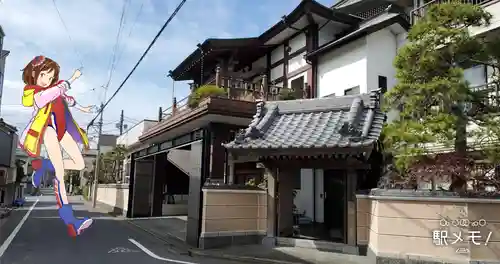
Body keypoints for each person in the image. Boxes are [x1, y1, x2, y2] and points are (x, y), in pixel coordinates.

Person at [19, 55, 95, 237]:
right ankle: (71, 222)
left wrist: (83, 108)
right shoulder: (32, 92)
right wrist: (71, 80)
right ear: (34, 75)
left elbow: (67, 99)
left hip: (62, 131)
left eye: (51, 76)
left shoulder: (56, 88)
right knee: (60, 174)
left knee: (80, 164)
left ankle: (44, 165)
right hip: (48, 131)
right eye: (44, 75)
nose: (48, 79)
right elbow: (45, 97)